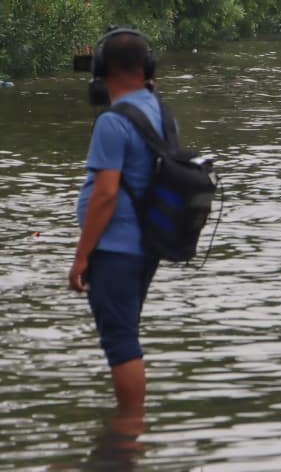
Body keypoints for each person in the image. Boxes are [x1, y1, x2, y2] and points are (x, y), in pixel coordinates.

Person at [68, 30, 165, 422]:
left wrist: (81, 256)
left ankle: (125, 439)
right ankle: (128, 436)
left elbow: (105, 195)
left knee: (121, 342)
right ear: (147, 70)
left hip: (115, 249)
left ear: (101, 71)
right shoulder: (156, 109)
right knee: (127, 335)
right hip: (145, 246)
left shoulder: (113, 121)